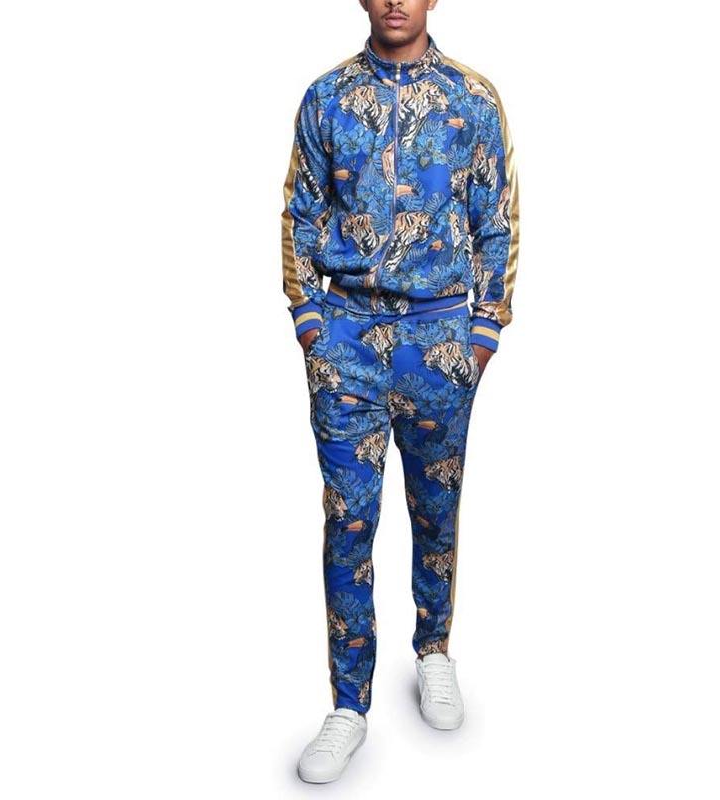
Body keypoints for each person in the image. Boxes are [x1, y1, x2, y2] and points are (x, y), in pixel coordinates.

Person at [281, 0, 519, 783]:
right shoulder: (325, 98)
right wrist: (311, 324)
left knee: (435, 507)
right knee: (348, 520)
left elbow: (497, 219)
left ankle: (434, 647)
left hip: (438, 341)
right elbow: (300, 212)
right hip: (346, 342)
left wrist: (482, 332)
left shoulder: (472, 99)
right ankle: (349, 703)